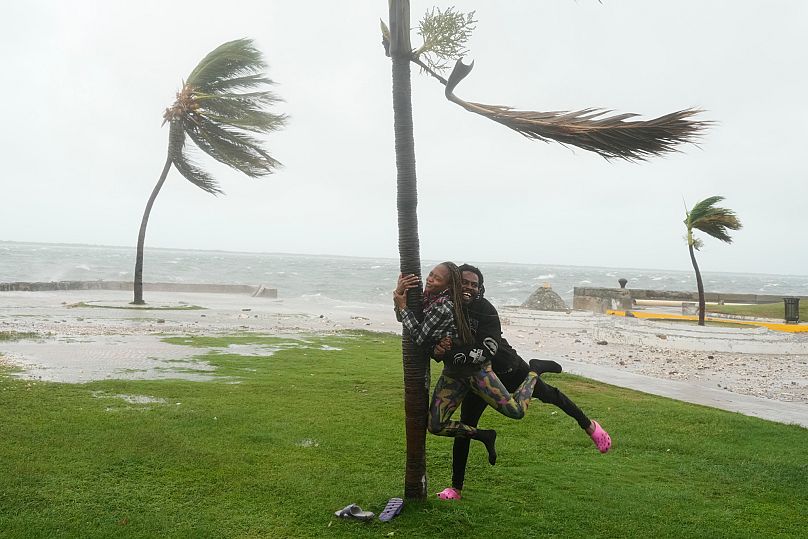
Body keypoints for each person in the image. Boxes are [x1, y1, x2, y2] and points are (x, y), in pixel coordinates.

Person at [432, 264, 612, 500]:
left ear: (480, 289)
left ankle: (588, 425)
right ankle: (455, 489)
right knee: (466, 426)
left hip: (508, 368)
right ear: (456, 283)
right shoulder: (447, 307)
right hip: (474, 378)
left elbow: (488, 347)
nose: (469, 287)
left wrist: (451, 353)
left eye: (474, 285)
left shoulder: (486, 309)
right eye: (464, 282)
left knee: (549, 395)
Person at [394, 262, 557, 465]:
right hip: (453, 373)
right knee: (435, 425)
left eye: (437, 278)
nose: (430, 280)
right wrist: (400, 298)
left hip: (476, 372)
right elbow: (415, 325)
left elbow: (419, 336)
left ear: (447, 285)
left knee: (516, 411)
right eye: (430, 275)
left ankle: (535, 370)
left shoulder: (444, 305)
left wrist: (402, 306)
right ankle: (483, 435)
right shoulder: (430, 299)